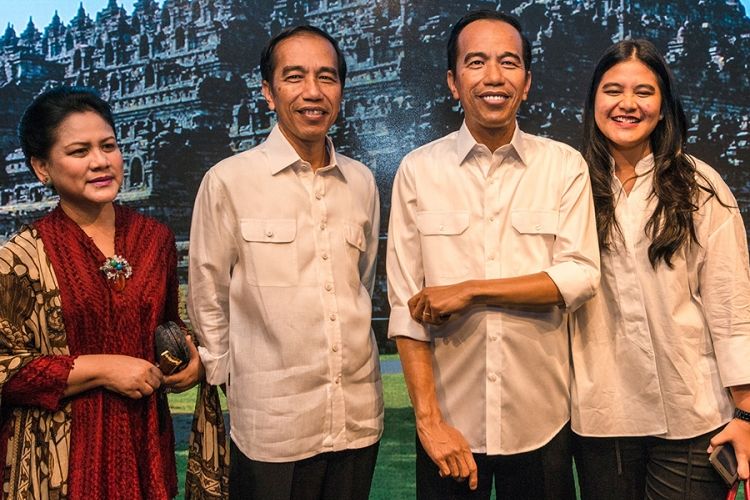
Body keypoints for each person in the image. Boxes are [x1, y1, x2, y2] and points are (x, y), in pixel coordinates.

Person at [386, 9, 600, 500]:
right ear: (453, 81)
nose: (493, 77)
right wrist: (430, 421)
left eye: (509, 62)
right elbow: (406, 308)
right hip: (450, 429)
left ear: (526, 82)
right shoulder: (418, 172)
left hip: (543, 422)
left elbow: (580, 275)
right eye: (476, 62)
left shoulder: (563, 166)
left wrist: (471, 290)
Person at [188, 25, 383, 500]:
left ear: (341, 90)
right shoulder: (229, 181)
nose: (313, 92)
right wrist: (226, 380)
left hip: (358, 417)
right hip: (272, 426)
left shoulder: (361, 182)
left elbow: (362, 282)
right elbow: (207, 295)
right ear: (268, 93)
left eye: (327, 77)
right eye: (294, 77)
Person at [0, 86, 204, 499]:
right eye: (79, 151)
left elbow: (165, 324)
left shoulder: (153, 240)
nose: (100, 161)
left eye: (108, 146)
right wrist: (102, 368)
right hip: (54, 459)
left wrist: (190, 358)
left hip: (143, 441)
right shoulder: (20, 257)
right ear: (42, 168)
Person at [571, 38, 750, 499]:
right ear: (593, 99)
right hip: (601, 413)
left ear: (663, 106)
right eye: (613, 90)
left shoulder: (701, 185)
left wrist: (747, 414)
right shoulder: (568, 184)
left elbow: (731, 307)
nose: (627, 104)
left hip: (693, 412)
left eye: (643, 92)